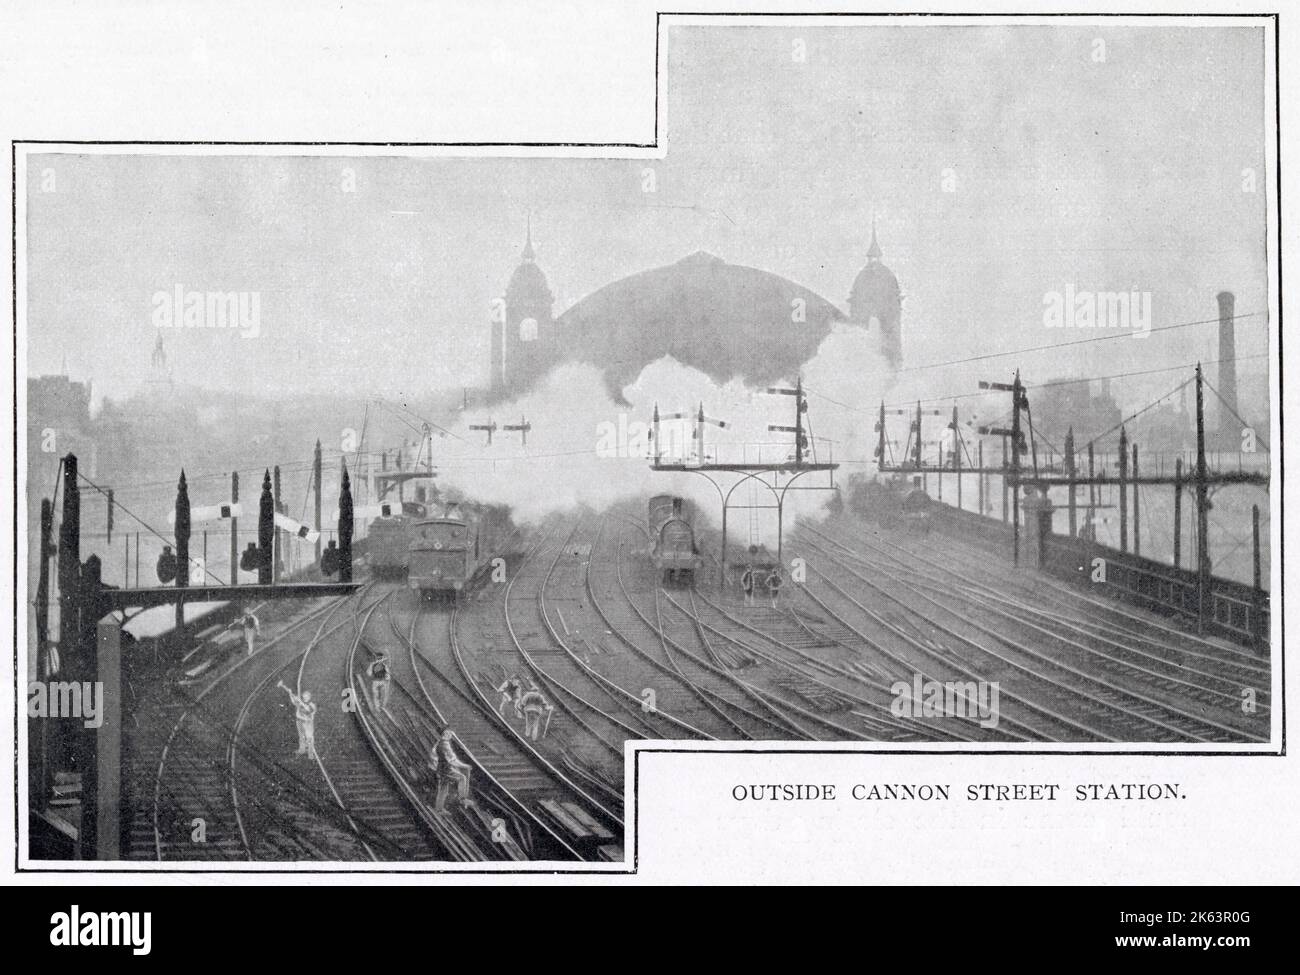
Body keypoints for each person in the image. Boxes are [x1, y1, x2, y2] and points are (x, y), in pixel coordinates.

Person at [431, 729, 472, 812]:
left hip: (441, 768)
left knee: (443, 789)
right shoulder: (445, 745)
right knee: (462, 778)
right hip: (446, 769)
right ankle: (462, 799)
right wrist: (464, 766)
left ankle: (439, 809)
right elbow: (452, 761)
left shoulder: (439, 743)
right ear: (446, 734)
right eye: (450, 734)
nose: (451, 736)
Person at [277, 681, 318, 759]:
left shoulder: (312, 704)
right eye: (304, 696)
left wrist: (302, 703)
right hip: (299, 721)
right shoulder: (300, 702)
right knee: (301, 736)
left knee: (309, 738)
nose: (305, 697)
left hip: (307, 723)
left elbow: (309, 711)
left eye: (306, 696)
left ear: (309, 697)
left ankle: (310, 754)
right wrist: (290, 693)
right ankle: (302, 750)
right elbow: (294, 702)